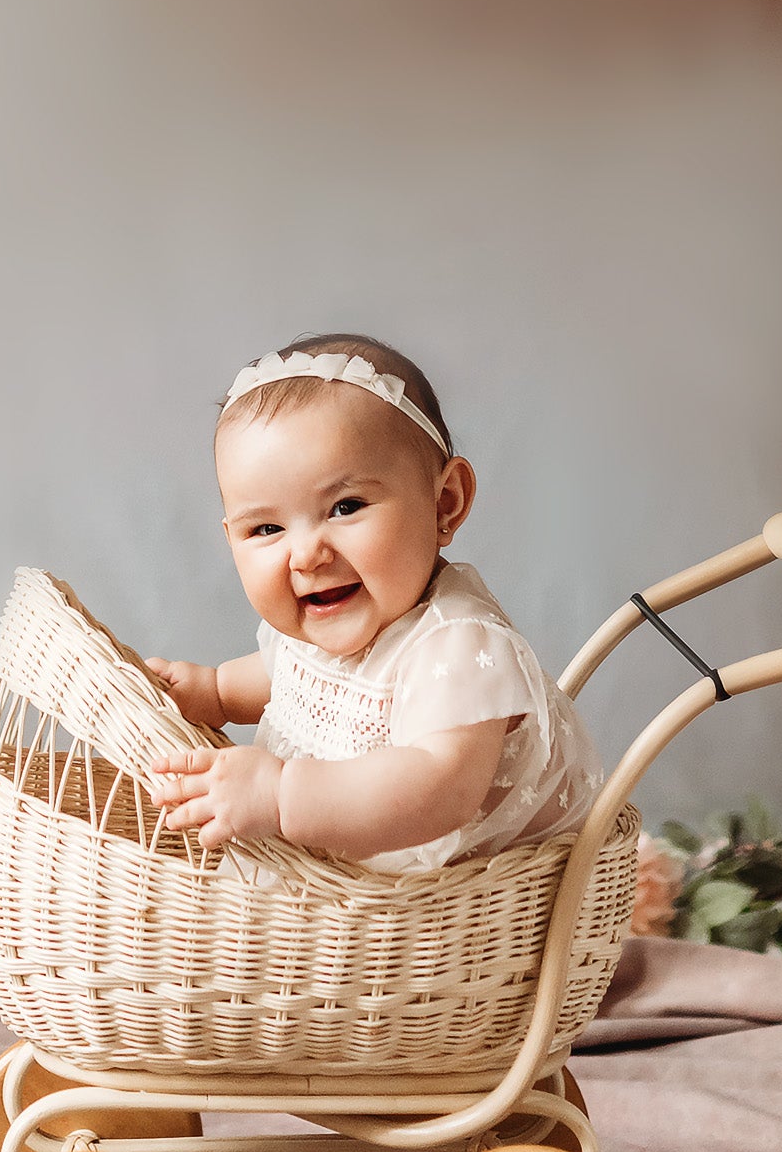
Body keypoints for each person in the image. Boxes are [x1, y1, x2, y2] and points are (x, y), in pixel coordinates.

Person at [145, 334, 601, 871]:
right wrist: (214, 692)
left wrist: (282, 794)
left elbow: (439, 787)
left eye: (345, 506)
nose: (307, 554)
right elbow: (284, 677)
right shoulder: (310, 631)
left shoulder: (456, 645)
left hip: (451, 916)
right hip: (340, 899)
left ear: (444, 504)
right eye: (267, 527)